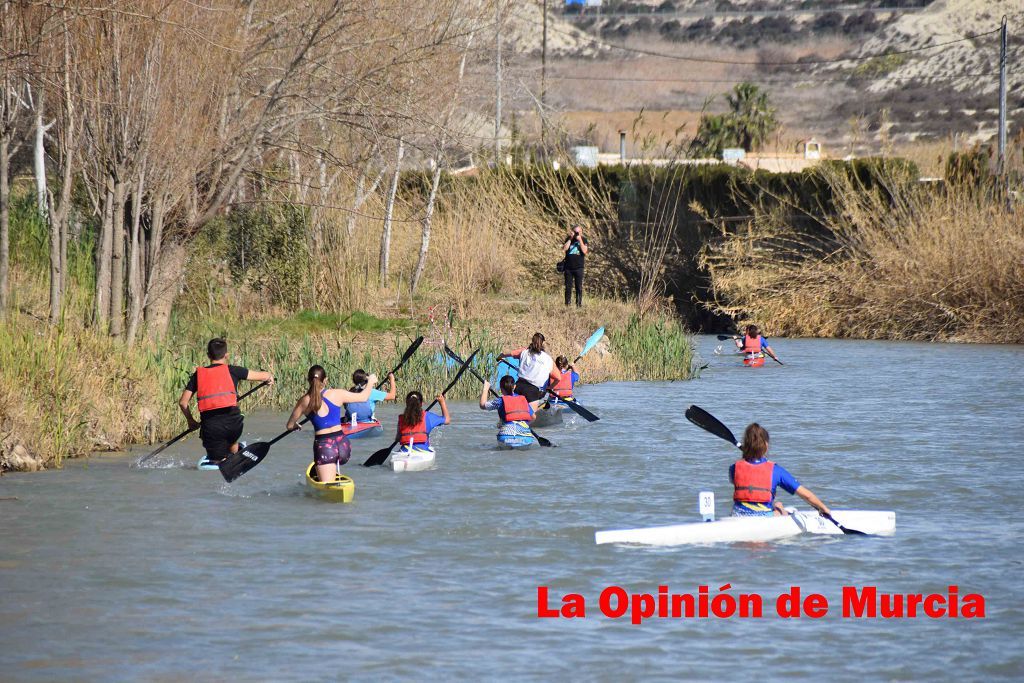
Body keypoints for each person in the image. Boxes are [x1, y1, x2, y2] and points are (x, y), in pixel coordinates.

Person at [178, 338, 274, 465]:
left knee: (216, 460)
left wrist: (191, 421)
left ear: (208, 355)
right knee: (230, 436)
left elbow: (183, 402)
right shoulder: (234, 370)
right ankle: (235, 451)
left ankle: (222, 457)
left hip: (211, 428)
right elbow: (266, 375)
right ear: (226, 355)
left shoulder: (198, 375)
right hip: (234, 425)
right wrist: (269, 379)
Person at [286, 365, 378, 484]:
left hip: (325, 447)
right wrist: (370, 382)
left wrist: (295, 426)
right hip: (343, 446)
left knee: (327, 485)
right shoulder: (337, 394)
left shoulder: (304, 401)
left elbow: (289, 425)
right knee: (333, 463)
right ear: (325, 380)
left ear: (308, 380)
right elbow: (363, 397)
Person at [729, 423, 832, 518]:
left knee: (775, 505)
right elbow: (806, 495)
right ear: (766, 445)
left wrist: (747, 456)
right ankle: (781, 509)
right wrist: (823, 508)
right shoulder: (776, 470)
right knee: (780, 506)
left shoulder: (734, 468)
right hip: (764, 517)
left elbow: (742, 480)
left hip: (737, 516)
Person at [498, 332, 561, 406]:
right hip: (535, 392)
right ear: (543, 344)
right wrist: (549, 388)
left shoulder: (524, 351)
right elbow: (558, 378)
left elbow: (509, 353)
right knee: (532, 415)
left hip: (519, 387)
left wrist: (500, 356)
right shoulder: (548, 359)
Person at [479, 375, 534, 446]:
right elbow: (533, 417)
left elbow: (483, 405)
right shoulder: (523, 400)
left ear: (501, 389)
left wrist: (486, 389)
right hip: (525, 437)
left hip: (505, 436)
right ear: (514, 387)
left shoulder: (499, 401)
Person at [561, 224, 589, 307]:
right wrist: (570, 238)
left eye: (579, 232)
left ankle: (578, 305)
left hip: (579, 267)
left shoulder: (584, 239)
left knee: (579, 287)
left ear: (581, 232)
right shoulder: (568, 239)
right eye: (575, 232)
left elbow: (584, 251)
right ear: (572, 231)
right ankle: (567, 304)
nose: (577, 233)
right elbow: (564, 249)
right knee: (568, 287)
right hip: (568, 267)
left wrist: (580, 240)